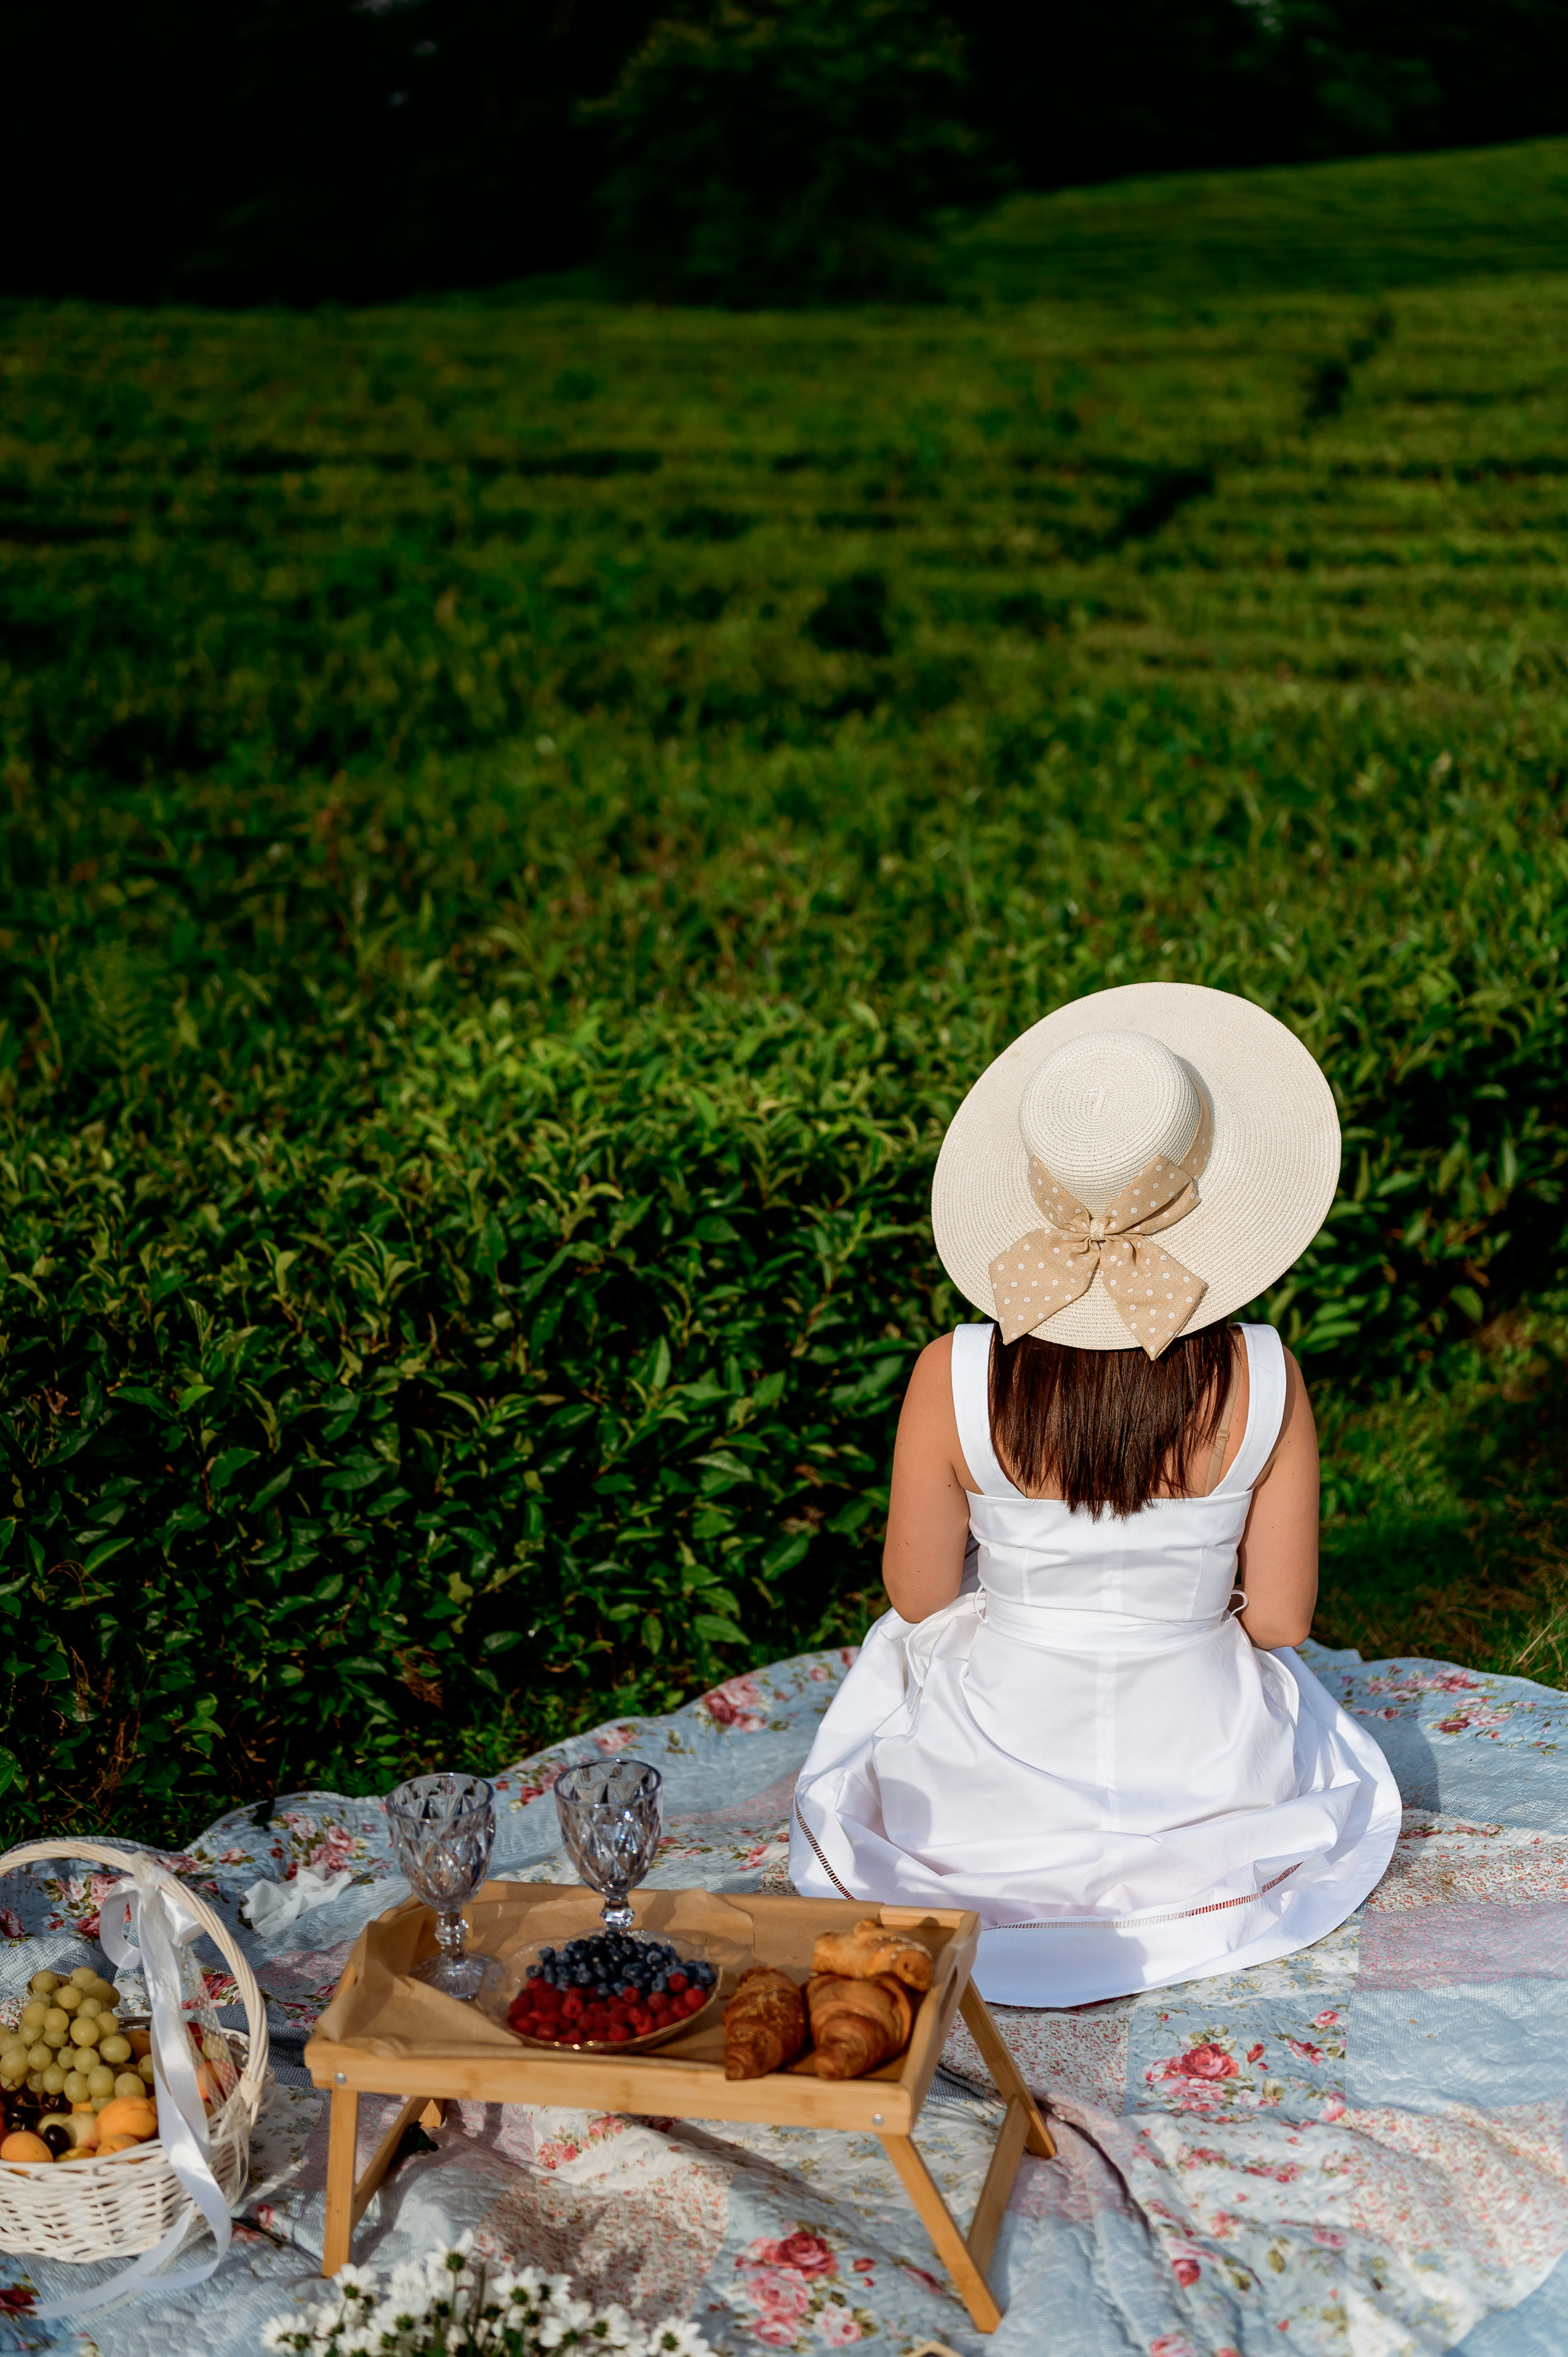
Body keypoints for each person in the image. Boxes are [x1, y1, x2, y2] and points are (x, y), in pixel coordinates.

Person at [788, 983, 1401, 2007]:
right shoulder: (1265, 1374)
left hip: (990, 1785)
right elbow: (1284, 1620)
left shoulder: (953, 1373)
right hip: (1205, 1767)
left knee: (899, 1660)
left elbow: (918, 1597)